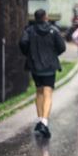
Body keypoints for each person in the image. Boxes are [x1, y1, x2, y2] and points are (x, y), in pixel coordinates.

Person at [19, 9, 66, 138]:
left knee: (39, 91)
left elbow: (23, 42)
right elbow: (62, 47)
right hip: (50, 67)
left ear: (35, 18)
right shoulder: (53, 30)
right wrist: (53, 54)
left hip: (35, 66)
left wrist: (29, 54)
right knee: (48, 93)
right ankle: (44, 123)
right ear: (45, 17)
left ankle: (40, 120)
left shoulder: (29, 30)